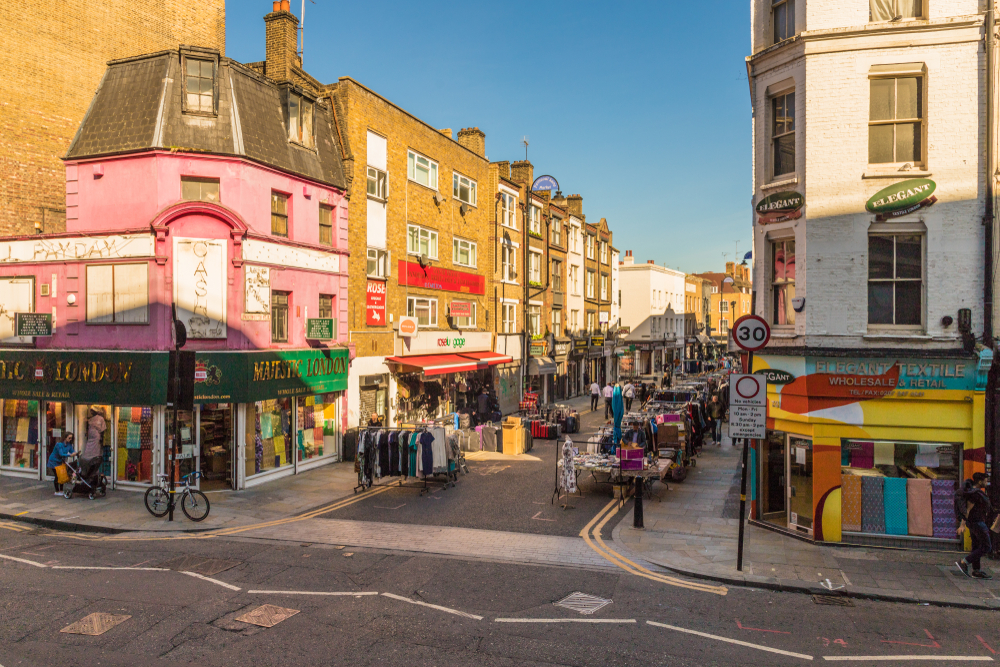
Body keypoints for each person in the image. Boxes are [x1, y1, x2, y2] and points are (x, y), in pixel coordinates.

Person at [956, 472, 994, 579]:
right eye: (985, 481)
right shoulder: (975, 494)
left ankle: (976, 571)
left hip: (974, 523)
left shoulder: (974, 492)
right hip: (977, 523)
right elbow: (967, 510)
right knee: (987, 547)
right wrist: (962, 525)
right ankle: (964, 562)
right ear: (980, 481)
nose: (987, 483)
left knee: (977, 546)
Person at [81, 407, 107, 497]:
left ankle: (95, 470)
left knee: (96, 455)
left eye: (92, 411)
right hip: (90, 439)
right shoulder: (90, 419)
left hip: (96, 438)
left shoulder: (101, 419)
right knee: (88, 454)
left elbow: (103, 430)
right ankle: (88, 469)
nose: (91, 412)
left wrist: (101, 440)